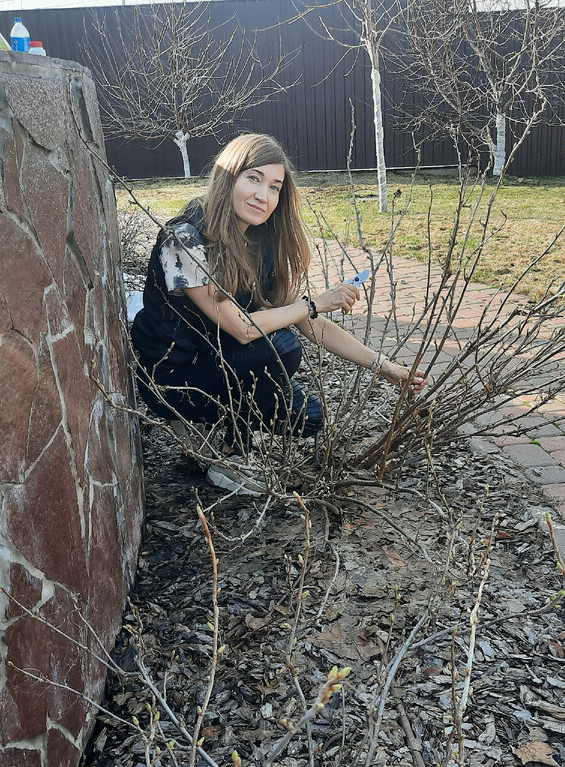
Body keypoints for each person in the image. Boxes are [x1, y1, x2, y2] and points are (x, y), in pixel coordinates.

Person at [130, 132, 427, 495]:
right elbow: (243, 330)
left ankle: (213, 418)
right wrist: (315, 302)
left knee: (310, 417)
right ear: (229, 177)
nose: (263, 196)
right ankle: (225, 449)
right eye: (253, 178)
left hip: (217, 359)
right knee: (280, 347)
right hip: (173, 375)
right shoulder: (185, 238)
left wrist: (385, 366)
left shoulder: (258, 241)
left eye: (274, 187)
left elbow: (308, 322)